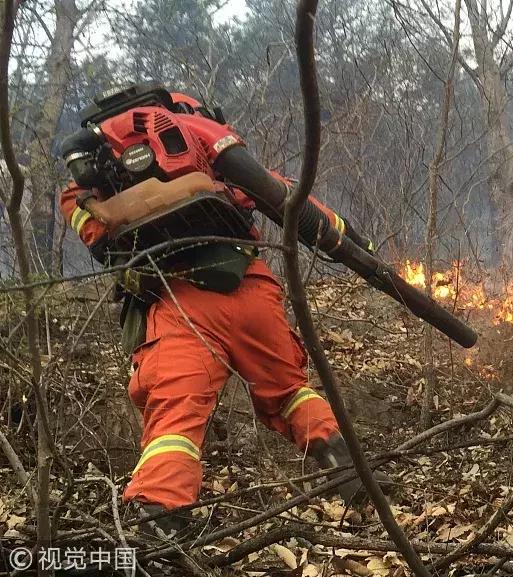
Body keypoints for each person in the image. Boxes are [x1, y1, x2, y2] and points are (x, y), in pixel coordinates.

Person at [58, 83, 384, 538]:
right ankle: (350, 472)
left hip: (178, 305)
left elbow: (99, 243)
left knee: (175, 420)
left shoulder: (83, 189)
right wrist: (356, 241)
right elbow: (287, 199)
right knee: (289, 390)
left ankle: (160, 527)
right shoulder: (203, 137)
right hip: (250, 288)